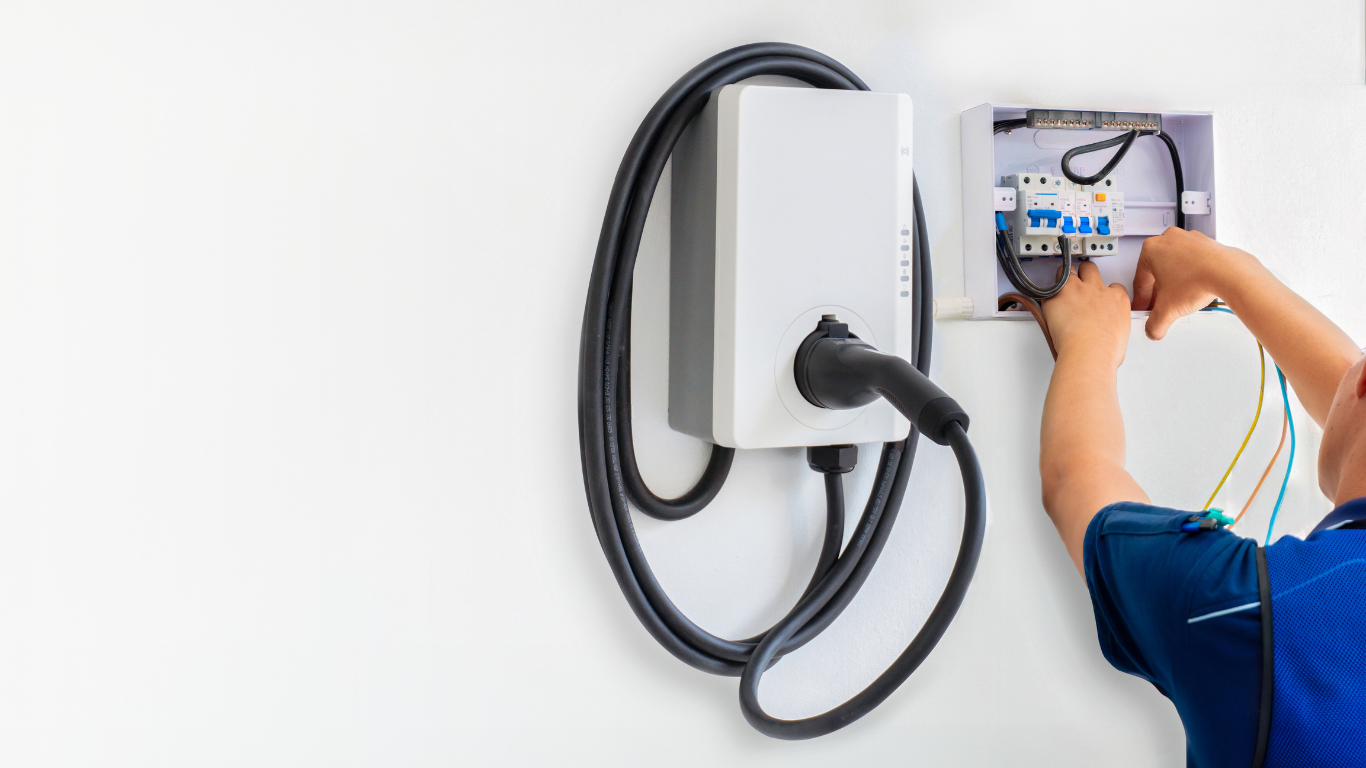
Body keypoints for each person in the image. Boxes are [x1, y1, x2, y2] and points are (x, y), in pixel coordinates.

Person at [1039, 227, 1366, 768]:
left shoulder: (1240, 606)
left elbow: (1076, 478)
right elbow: (1348, 409)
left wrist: (1088, 342)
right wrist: (1230, 273)